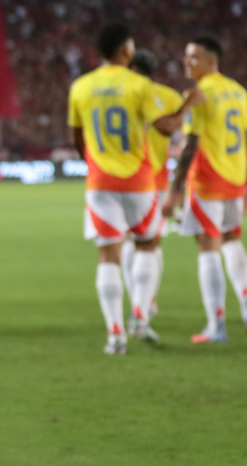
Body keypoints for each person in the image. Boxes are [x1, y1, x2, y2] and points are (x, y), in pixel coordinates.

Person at [69, 24, 196, 354]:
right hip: (140, 182)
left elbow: (77, 138)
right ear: (126, 51)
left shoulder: (81, 87)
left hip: (100, 183)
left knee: (107, 256)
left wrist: (95, 164)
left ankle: (115, 335)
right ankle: (139, 316)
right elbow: (167, 127)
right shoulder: (139, 85)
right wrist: (187, 106)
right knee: (148, 245)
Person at [163, 37, 247, 344]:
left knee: (208, 248)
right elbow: (246, 142)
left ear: (211, 60)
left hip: (207, 180)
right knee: (232, 241)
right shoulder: (238, 91)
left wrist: (175, 190)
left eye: (193, 57)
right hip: (233, 181)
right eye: (186, 57)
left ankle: (216, 325)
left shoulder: (198, 94)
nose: (186, 62)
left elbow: (190, 144)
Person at [120, 50, 186, 333]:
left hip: (119, 177)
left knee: (125, 243)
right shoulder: (169, 97)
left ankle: (141, 302)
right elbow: (179, 139)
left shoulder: (116, 92)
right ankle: (143, 305)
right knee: (150, 243)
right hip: (155, 180)